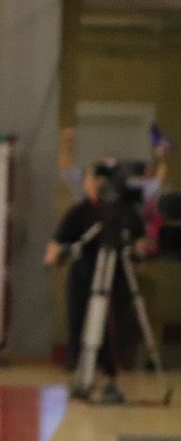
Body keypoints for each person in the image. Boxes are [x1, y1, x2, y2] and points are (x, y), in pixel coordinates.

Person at [45, 159, 147, 395]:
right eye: (93, 178)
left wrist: (140, 251)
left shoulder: (125, 212)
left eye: (103, 179)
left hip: (116, 277)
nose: (98, 184)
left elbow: (141, 239)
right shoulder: (79, 212)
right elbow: (57, 242)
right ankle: (79, 370)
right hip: (84, 275)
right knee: (79, 319)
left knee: (113, 323)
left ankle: (112, 369)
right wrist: (55, 255)